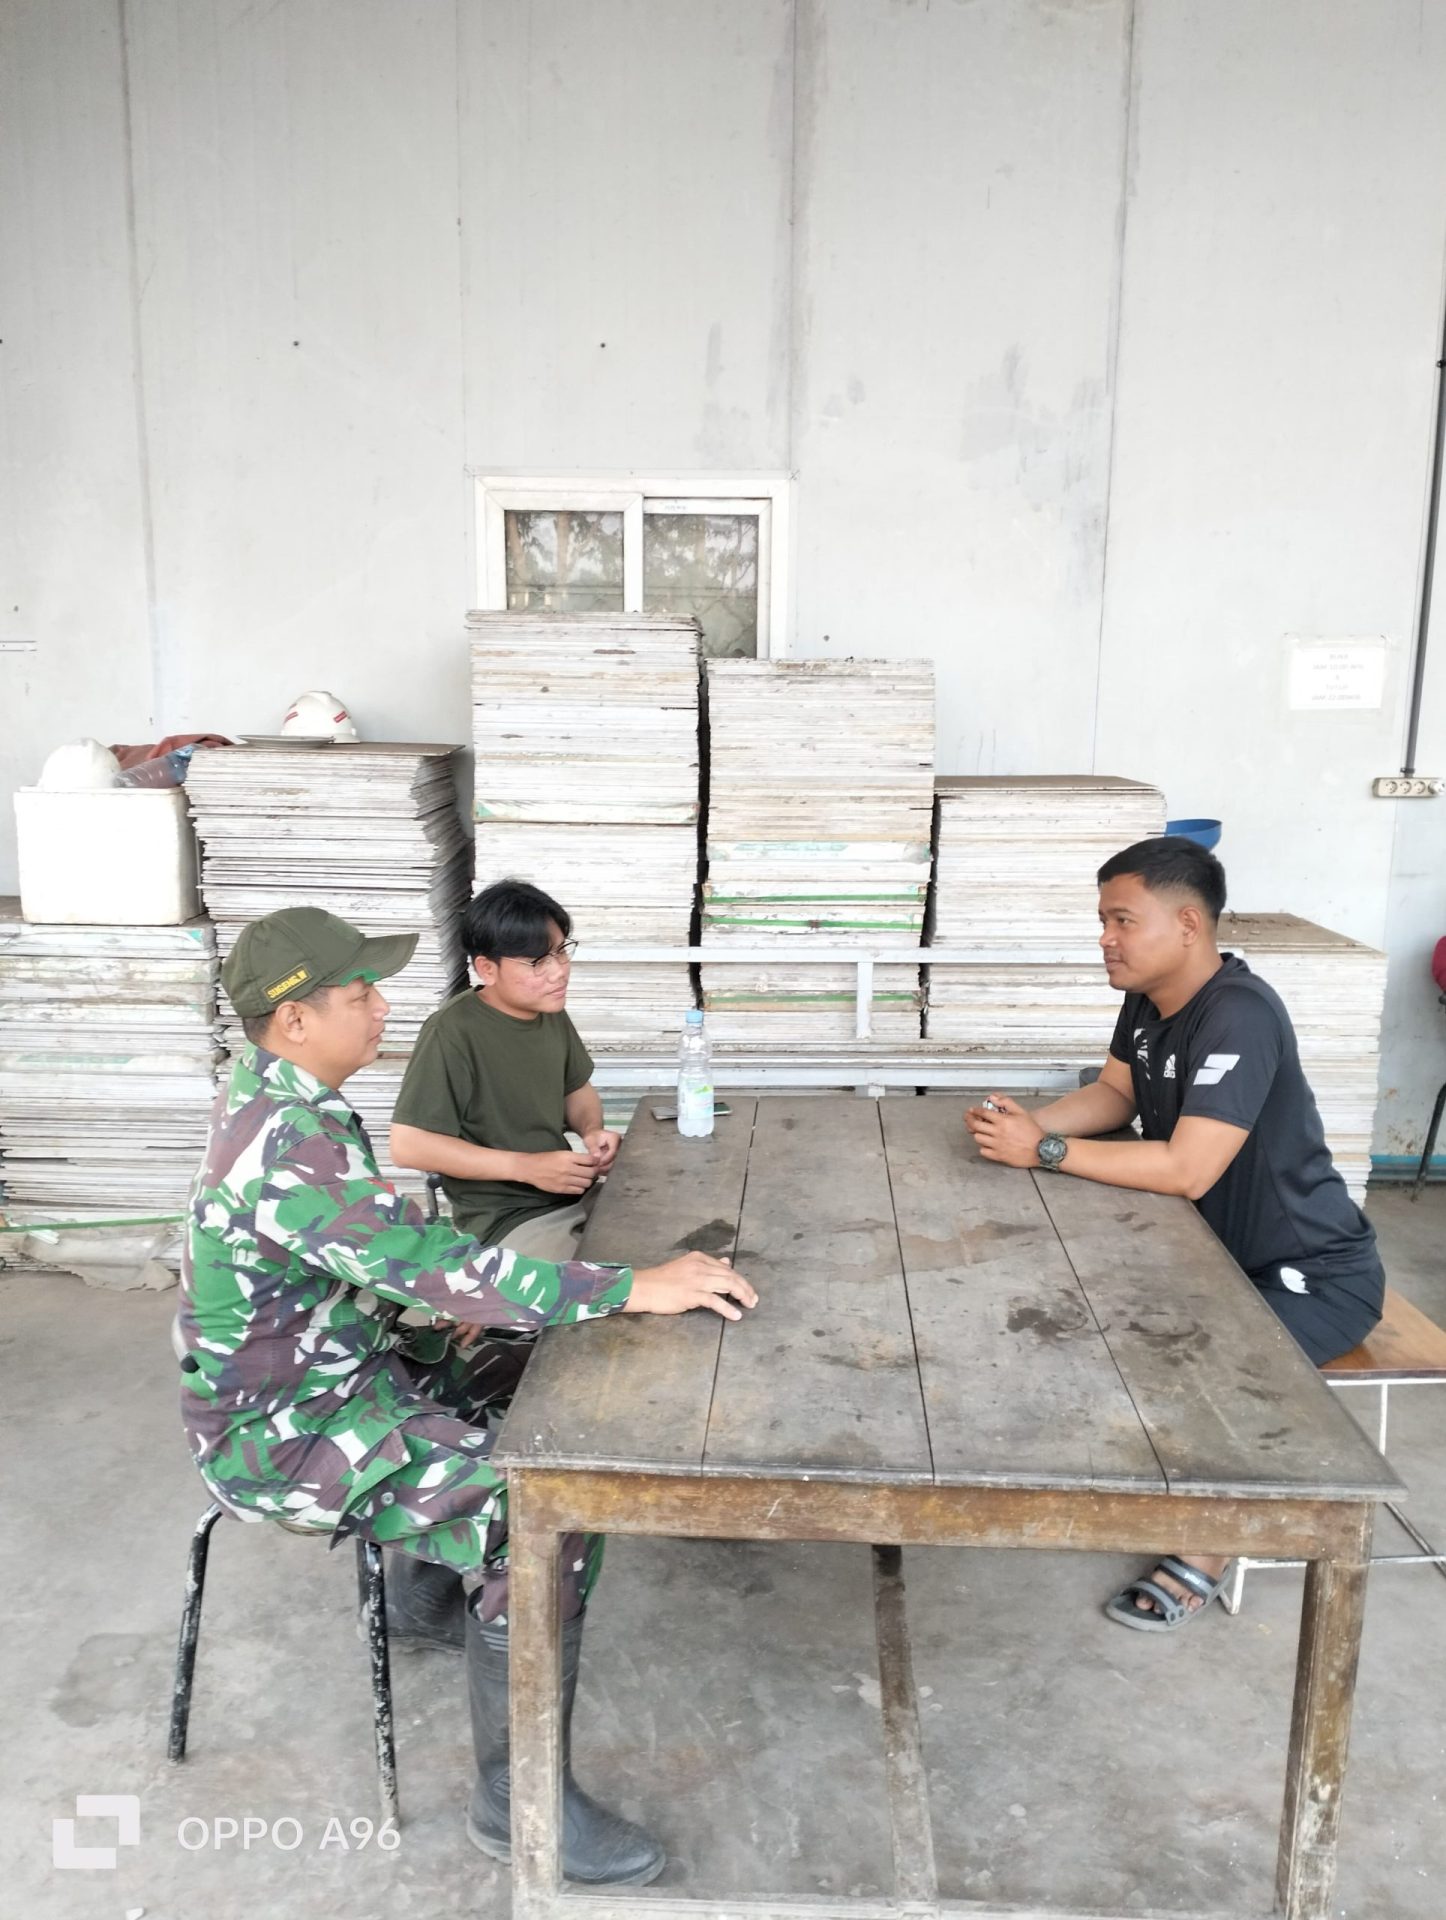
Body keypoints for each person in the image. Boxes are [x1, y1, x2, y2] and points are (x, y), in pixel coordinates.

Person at [179, 906, 756, 1886]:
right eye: (359, 993)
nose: (381, 1006)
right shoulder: (286, 1141)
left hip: (338, 1368)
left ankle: (423, 1597)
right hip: (283, 1434)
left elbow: (379, 1263)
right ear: (295, 1019)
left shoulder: (284, 1098)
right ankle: (517, 1800)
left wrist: (455, 1317)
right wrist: (632, 1284)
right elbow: (437, 1268)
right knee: (542, 1513)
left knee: (524, 1357)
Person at [964, 836, 1384, 1633]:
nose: (1105, 938)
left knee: (1210, 1372)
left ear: (1188, 924)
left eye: (1122, 920)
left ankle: (1208, 1547)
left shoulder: (1240, 1014)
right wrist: (1028, 1124)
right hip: (1207, 1255)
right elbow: (1117, 1094)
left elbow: (1189, 1168)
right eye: (1102, 920)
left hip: (1309, 1276)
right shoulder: (1149, 997)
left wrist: (1045, 1153)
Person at [389, 879, 614, 1263]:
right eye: (538, 962)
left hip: (571, 1195)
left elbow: (576, 1091)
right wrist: (526, 1168)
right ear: (486, 968)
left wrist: (592, 1132)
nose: (558, 972)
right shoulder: (453, 1032)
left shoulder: (547, 1010)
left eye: (561, 952)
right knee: (608, 1283)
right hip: (509, 1221)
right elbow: (408, 1145)